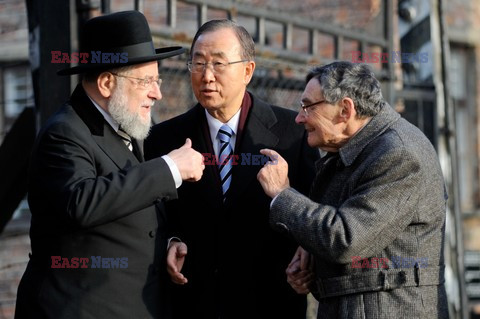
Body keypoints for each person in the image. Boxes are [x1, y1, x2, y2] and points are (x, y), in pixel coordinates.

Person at [15, 10, 204, 319]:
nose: (157, 93)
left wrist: (168, 242)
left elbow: (130, 207)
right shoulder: (63, 133)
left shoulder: (126, 123)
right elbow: (82, 201)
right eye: (146, 82)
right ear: (105, 83)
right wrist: (170, 168)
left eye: (156, 81)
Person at [144, 19, 318, 319]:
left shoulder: (294, 133)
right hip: (194, 303)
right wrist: (170, 241)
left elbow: (319, 211)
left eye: (218, 64)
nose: (206, 76)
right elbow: (155, 214)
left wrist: (309, 254)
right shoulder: (164, 138)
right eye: (197, 63)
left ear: (247, 71)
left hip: (271, 302)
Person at [257, 61, 449, 318]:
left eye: (307, 107)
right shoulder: (355, 150)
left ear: (345, 109)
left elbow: (346, 239)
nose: (299, 117)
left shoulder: (400, 153)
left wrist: (282, 194)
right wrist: (311, 261)